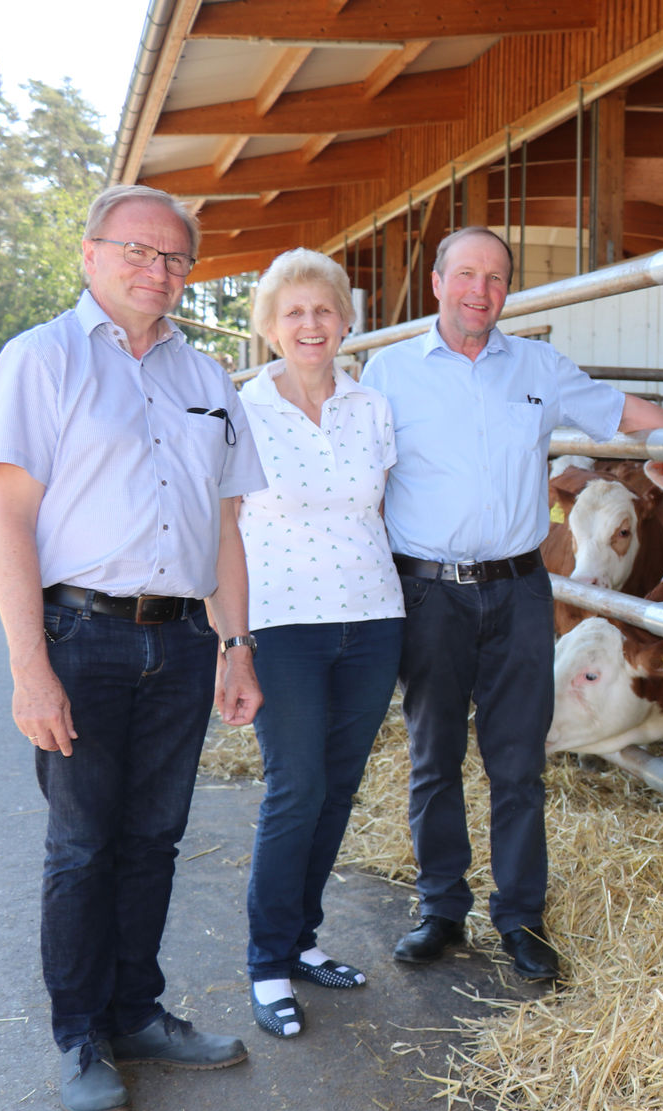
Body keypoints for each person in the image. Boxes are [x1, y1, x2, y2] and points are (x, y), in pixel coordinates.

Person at [362, 227, 663, 983]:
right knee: (434, 755)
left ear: (508, 290)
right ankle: (440, 909)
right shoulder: (388, 372)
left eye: (495, 278)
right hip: (429, 590)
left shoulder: (539, 366)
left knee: (518, 760)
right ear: (436, 282)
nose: (480, 291)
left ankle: (520, 918)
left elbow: (626, 411)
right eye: (465, 274)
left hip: (517, 590)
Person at [0, 184, 265, 1111]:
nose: (158, 270)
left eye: (175, 257)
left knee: (154, 840)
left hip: (181, 640)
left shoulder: (208, 379)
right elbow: (10, 522)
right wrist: (30, 669)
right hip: (80, 635)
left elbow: (227, 527)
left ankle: (137, 1013)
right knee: (81, 846)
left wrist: (236, 648)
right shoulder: (42, 360)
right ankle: (80, 1036)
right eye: (138, 250)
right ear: (90, 254)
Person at [235, 249, 405, 1038]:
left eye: (324, 310)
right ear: (270, 326)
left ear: (345, 320)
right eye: (294, 312)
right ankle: (267, 963)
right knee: (295, 786)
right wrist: (231, 640)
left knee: (337, 787)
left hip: (372, 619)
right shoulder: (243, 410)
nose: (311, 324)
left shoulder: (370, 407)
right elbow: (222, 531)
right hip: (282, 624)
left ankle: (301, 940)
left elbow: (383, 510)